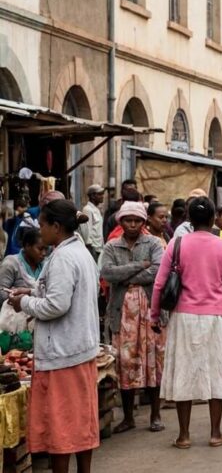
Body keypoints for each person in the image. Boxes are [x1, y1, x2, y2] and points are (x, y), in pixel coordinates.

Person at [9, 200, 99, 473]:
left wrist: (23, 304)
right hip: (79, 348)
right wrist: (32, 293)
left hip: (63, 354)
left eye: (43, 224)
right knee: (82, 423)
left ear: (56, 227)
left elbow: (56, 305)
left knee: (62, 429)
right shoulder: (79, 251)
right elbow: (57, 291)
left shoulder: (63, 257)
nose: (40, 229)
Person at [150, 197, 222, 449]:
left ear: (189, 220)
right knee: (216, 373)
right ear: (214, 219)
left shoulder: (176, 243)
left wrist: (154, 315)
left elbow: (160, 283)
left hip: (184, 317)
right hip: (217, 317)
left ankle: (183, 436)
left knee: (184, 371)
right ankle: (215, 433)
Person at [99, 201, 167, 434]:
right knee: (125, 362)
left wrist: (128, 278)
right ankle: (128, 417)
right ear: (121, 222)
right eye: (128, 220)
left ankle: (155, 415)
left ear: (143, 222)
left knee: (154, 362)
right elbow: (107, 273)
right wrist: (139, 266)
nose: (132, 224)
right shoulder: (111, 247)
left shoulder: (154, 243)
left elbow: (159, 270)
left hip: (150, 313)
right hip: (122, 314)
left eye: (137, 220)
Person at [0, 227, 46, 302]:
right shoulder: (11, 263)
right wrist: (21, 299)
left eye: (46, 249)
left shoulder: (45, 265)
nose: (44, 253)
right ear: (27, 246)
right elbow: (1, 292)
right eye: (40, 249)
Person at [82, 185, 105, 260]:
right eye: (99, 194)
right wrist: (90, 247)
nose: (102, 196)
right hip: (93, 248)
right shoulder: (87, 210)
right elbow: (87, 230)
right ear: (93, 196)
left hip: (99, 248)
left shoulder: (96, 209)